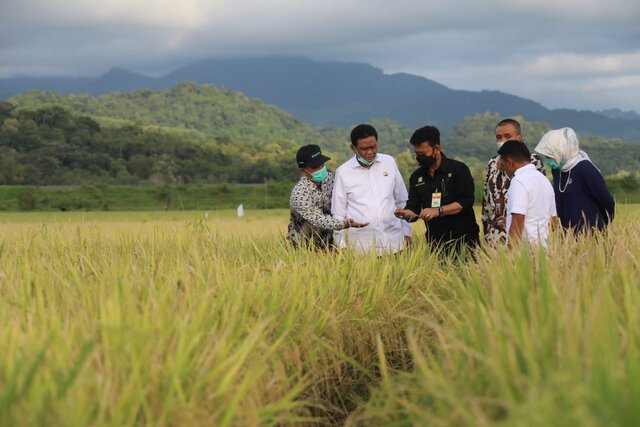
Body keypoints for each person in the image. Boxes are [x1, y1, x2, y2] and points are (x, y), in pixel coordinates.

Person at [395, 125, 480, 253]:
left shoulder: (458, 169)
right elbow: (414, 208)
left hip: (464, 240)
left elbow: (465, 202)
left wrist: (438, 211)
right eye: (417, 154)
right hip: (436, 242)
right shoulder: (417, 177)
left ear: (437, 149)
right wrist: (406, 214)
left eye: (423, 154)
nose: (419, 157)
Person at [331, 124, 412, 254]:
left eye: (373, 147)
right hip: (363, 248)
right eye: (364, 149)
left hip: (395, 243)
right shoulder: (343, 172)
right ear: (353, 148)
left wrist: (407, 232)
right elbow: (338, 213)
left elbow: (402, 200)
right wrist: (341, 245)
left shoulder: (389, 162)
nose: (370, 152)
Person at [534, 127, 615, 233]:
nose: (548, 161)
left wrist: (604, 223)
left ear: (561, 151)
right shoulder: (558, 170)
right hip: (566, 234)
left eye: (550, 156)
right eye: (546, 157)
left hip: (591, 233)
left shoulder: (585, 169)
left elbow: (607, 201)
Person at [287, 144, 368, 250]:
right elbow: (318, 219)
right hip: (303, 244)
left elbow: (342, 199)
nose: (321, 169)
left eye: (322, 164)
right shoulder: (299, 194)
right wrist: (344, 224)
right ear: (303, 171)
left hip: (328, 241)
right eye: (315, 167)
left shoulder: (329, 178)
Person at [482, 118, 545, 245]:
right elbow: (487, 202)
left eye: (507, 136)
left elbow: (537, 197)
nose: (503, 140)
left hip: (520, 233)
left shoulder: (532, 161)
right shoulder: (492, 163)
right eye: (499, 137)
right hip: (495, 236)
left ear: (519, 138)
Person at [497, 140, 556, 247]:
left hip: (526, 251)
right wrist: (509, 222)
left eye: (503, 165)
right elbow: (553, 220)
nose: (505, 170)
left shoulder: (519, 181)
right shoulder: (544, 180)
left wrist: (509, 254)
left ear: (509, 162)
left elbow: (518, 221)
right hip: (544, 249)